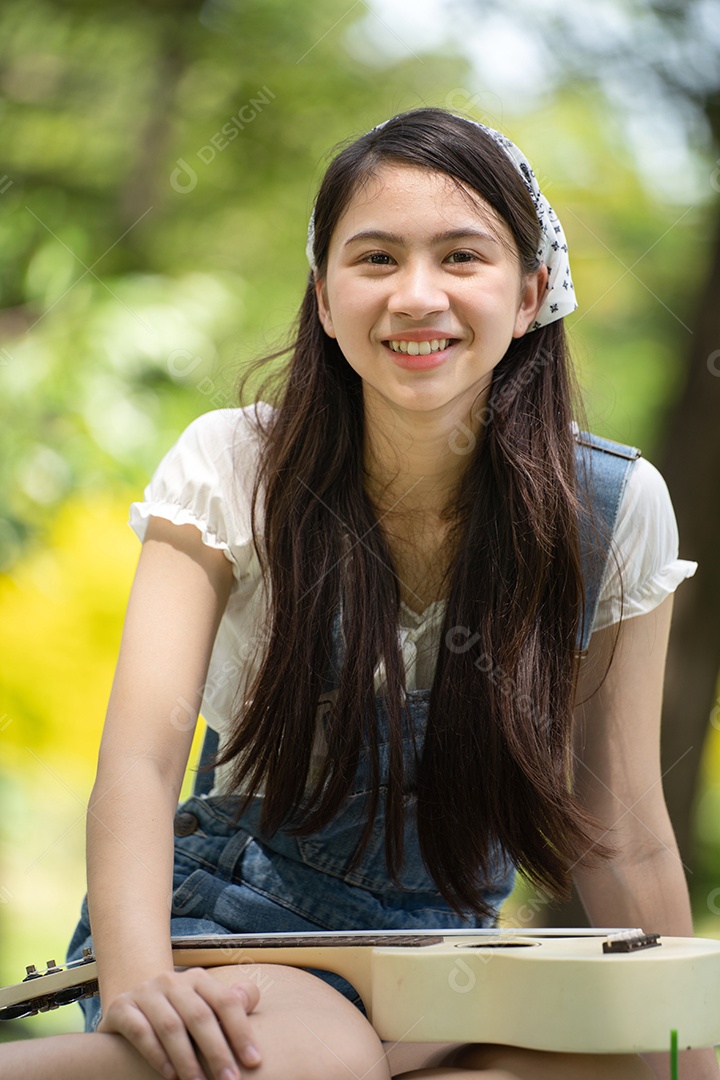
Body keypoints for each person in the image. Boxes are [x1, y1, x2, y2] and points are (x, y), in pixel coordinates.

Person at [1, 107, 717, 1080]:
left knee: (636, 1072)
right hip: (224, 931)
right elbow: (136, 764)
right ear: (325, 298)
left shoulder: (612, 509)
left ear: (531, 292)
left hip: (444, 965)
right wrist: (137, 983)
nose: (417, 296)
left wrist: (683, 1041)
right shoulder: (236, 466)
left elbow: (625, 833)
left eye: (463, 257)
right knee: (324, 1063)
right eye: (375, 259)